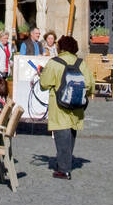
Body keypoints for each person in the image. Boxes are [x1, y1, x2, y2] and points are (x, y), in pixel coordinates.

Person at [38, 35, 95, 180]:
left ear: (60, 48)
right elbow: (90, 85)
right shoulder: (81, 63)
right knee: (70, 134)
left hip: (59, 106)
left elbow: (44, 84)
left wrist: (42, 74)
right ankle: (65, 162)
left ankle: (64, 169)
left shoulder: (54, 63)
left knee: (61, 135)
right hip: (76, 106)